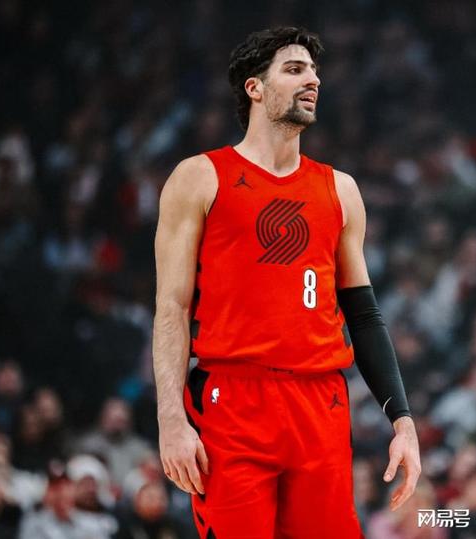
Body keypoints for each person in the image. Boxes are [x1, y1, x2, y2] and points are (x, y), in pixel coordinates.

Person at [153, 26, 420, 538]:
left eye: (314, 72)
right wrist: (170, 419)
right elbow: (172, 308)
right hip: (233, 400)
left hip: (320, 403)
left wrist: (402, 421)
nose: (312, 80)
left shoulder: (340, 189)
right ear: (254, 87)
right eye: (295, 70)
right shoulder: (199, 177)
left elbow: (363, 315)